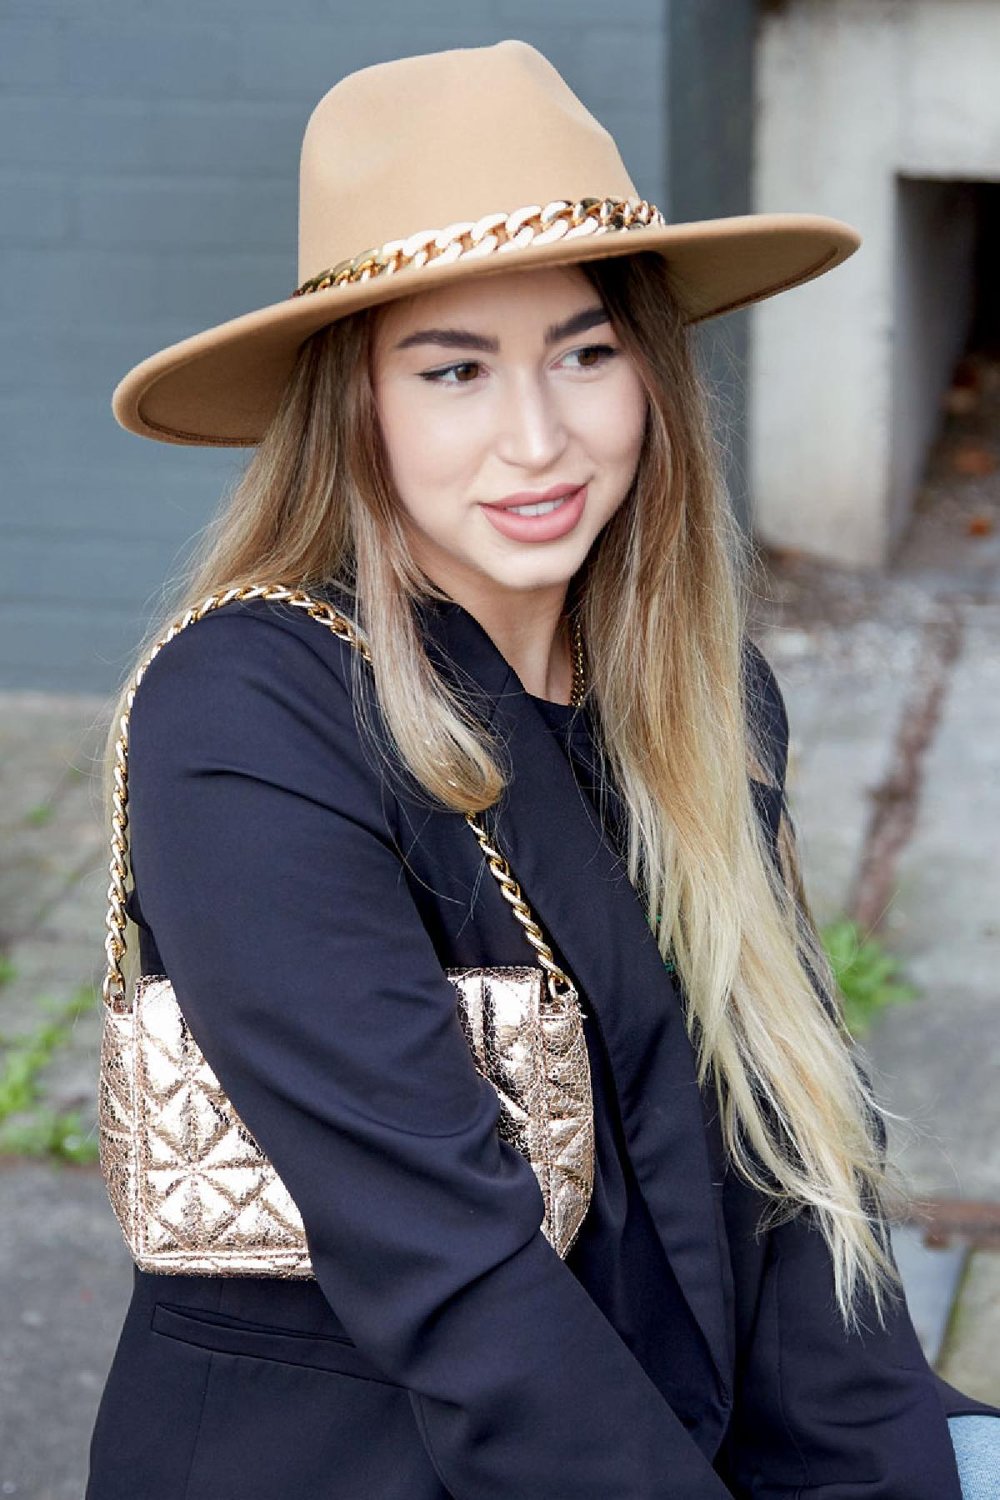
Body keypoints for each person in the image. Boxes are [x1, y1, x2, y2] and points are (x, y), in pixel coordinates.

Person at [86, 39, 999, 1500]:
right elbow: (451, 1278)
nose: (540, 438)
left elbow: (791, 1169)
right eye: (454, 370)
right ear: (354, 405)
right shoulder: (254, 712)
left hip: (702, 1426)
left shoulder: (700, 696)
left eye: (586, 353)